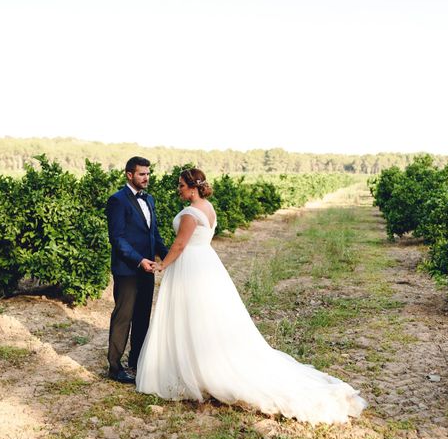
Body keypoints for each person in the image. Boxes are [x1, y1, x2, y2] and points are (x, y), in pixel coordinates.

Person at [136, 168, 367, 424]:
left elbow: (180, 245)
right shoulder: (209, 208)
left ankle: (195, 369)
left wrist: (162, 265)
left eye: (180, 185)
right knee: (204, 317)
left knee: (192, 316)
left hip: (190, 264)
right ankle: (194, 364)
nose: (178, 189)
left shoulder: (191, 213)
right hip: (206, 263)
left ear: (192, 187)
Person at [106, 156, 169, 383]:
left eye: (148, 174)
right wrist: (139, 260)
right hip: (127, 270)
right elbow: (117, 238)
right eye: (142, 174)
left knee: (143, 317)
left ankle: (137, 361)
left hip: (147, 269)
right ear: (129, 174)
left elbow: (154, 234)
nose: (146, 178)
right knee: (123, 317)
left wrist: (169, 255)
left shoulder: (149, 199)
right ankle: (115, 367)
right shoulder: (117, 200)